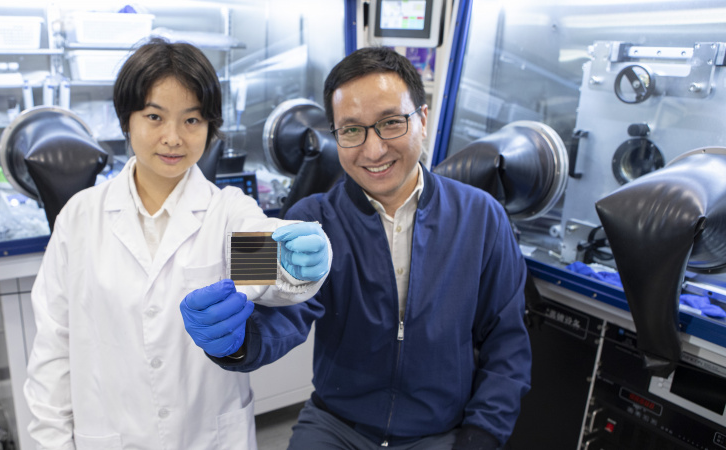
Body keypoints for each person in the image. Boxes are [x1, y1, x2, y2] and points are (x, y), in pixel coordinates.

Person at [182, 46, 532, 449]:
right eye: (352, 130)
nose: (373, 149)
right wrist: (235, 341)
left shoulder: (483, 217)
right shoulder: (306, 217)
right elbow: (272, 313)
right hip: (336, 425)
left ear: (423, 119)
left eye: (390, 122)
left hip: (440, 432)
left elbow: (507, 342)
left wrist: (483, 433)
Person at [23, 38, 331, 450]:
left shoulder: (224, 212)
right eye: (155, 116)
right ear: (126, 120)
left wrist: (298, 265)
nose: (173, 137)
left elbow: (270, 271)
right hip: (111, 434)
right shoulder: (81, 218)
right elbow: (53, 349)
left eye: (192, 120)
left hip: (207, 435)